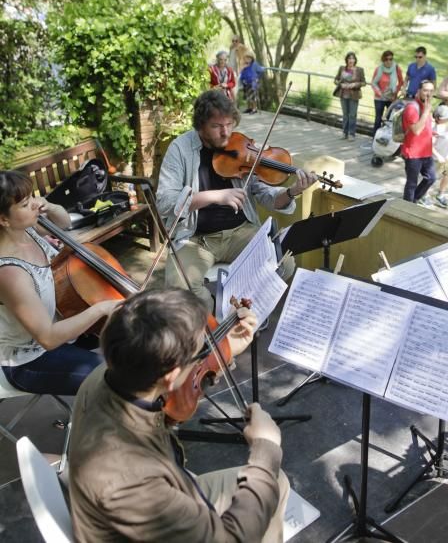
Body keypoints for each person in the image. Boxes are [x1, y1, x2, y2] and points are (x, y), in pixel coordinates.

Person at [69, 288, 289, 543]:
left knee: (276, 481)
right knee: (269, 475)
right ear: (171, 375)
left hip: (166, 494)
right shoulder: (134, 484)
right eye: (200, 351)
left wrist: (226, 351)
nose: (205, 351)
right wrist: (266, 447)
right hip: (157, 516)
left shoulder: (111, 374)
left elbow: (179, 386)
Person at [156, 90, 317, 305]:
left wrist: (291, 192)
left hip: (240, 232)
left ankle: (242, 311)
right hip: (197, 238)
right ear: (200, 126)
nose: (225, 133)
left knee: (284, 263)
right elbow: (164, 203)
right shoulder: (181, 149)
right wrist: (214, 196)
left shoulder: (240, 146)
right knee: (179, 289)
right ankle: (210, 329)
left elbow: (266, 196)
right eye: (216, 126)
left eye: (230, 124)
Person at [0, 170, 119, 395]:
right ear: (3, 219)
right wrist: (101, 308)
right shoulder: (9, 273)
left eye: (32, 197)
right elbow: (47, 338)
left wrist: (50, 206)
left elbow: (64, 223)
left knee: (137, 338)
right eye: (25, 204)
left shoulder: (27, 230)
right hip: (29, 359)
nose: (35, 205)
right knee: (117, 379)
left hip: (63, 323)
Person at [401, 80, 436, 206]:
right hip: (413, 153)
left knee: (431, 178)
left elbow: (425, 127)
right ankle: (406, 207)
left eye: (431, 91)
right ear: (418, 91)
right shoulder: (412, 108)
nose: (428, 94)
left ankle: (413, 200)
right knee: (411, 183)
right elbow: (416, 130)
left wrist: (432, 133)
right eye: (426, 90)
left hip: (426, 151)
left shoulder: (425, 106)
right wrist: (427, 111)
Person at [334, 51, 366, 140]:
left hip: (354, 95)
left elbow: (363, 82)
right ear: (346, 60)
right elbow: (336, 80)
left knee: (352, 115)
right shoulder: (342, 68)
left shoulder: (359, 70)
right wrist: (340, 84)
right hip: (343, 94)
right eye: (349, 58)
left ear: (355, 60)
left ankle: (352, 134)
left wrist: (355, 84)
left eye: (352, 58)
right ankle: (344, 133)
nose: (351, 60)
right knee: (345, 115)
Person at [370, 50, 403, 135]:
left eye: (390, 59)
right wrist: (379, 93)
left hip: (391, 98)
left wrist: (395, 92)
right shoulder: (378, 69)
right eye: (386, 59)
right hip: (379, 98)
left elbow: (401, 82)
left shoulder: (396, 68)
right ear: (383, 60)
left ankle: (385, 138)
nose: (389, 61)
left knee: (389, 119)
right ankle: (375, 138)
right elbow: (373, 83)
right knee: (378, 118)